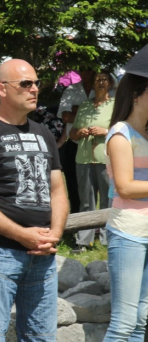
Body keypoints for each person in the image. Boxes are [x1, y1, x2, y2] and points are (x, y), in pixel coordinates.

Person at [0, 59, 68, 341]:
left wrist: (54, 234)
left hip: (43, 253)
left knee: (41, 337)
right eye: (25, 83)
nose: (34, 89)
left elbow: (58, 190)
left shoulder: (44, 133)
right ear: (2, 89)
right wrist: (22, 235)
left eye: (35, 83)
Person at [104, 72, 148, 341]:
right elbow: (125, 187)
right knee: (123, 323)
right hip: (128, 232)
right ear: (136, 96)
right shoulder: (120, 134)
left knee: (142, 319)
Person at [69, 70, 115, 252]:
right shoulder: (85, 105)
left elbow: (123, 128)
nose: (101, 83)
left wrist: (105, 131)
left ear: (110, 84)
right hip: (84, 158)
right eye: (97, 80)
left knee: (107, 199)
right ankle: (84, 240)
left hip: (105, 158)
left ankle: (106, 238)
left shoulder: (115, 104)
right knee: (86, 201)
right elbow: (72, 133)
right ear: (93, 85)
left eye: (104, 79)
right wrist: (79, 133)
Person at [56, 69, 96, 217]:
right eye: (83, 69)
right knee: (74, 186)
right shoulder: (71, 90)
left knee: (96, 186)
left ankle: (99, 225)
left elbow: (108, 114)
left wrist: (76, 110)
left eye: (89, 69)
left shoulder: (104, 89)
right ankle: (76, 222)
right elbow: (65, 116)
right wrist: (92, 111)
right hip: (74, 145)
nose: (86, 73)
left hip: (97, 145)